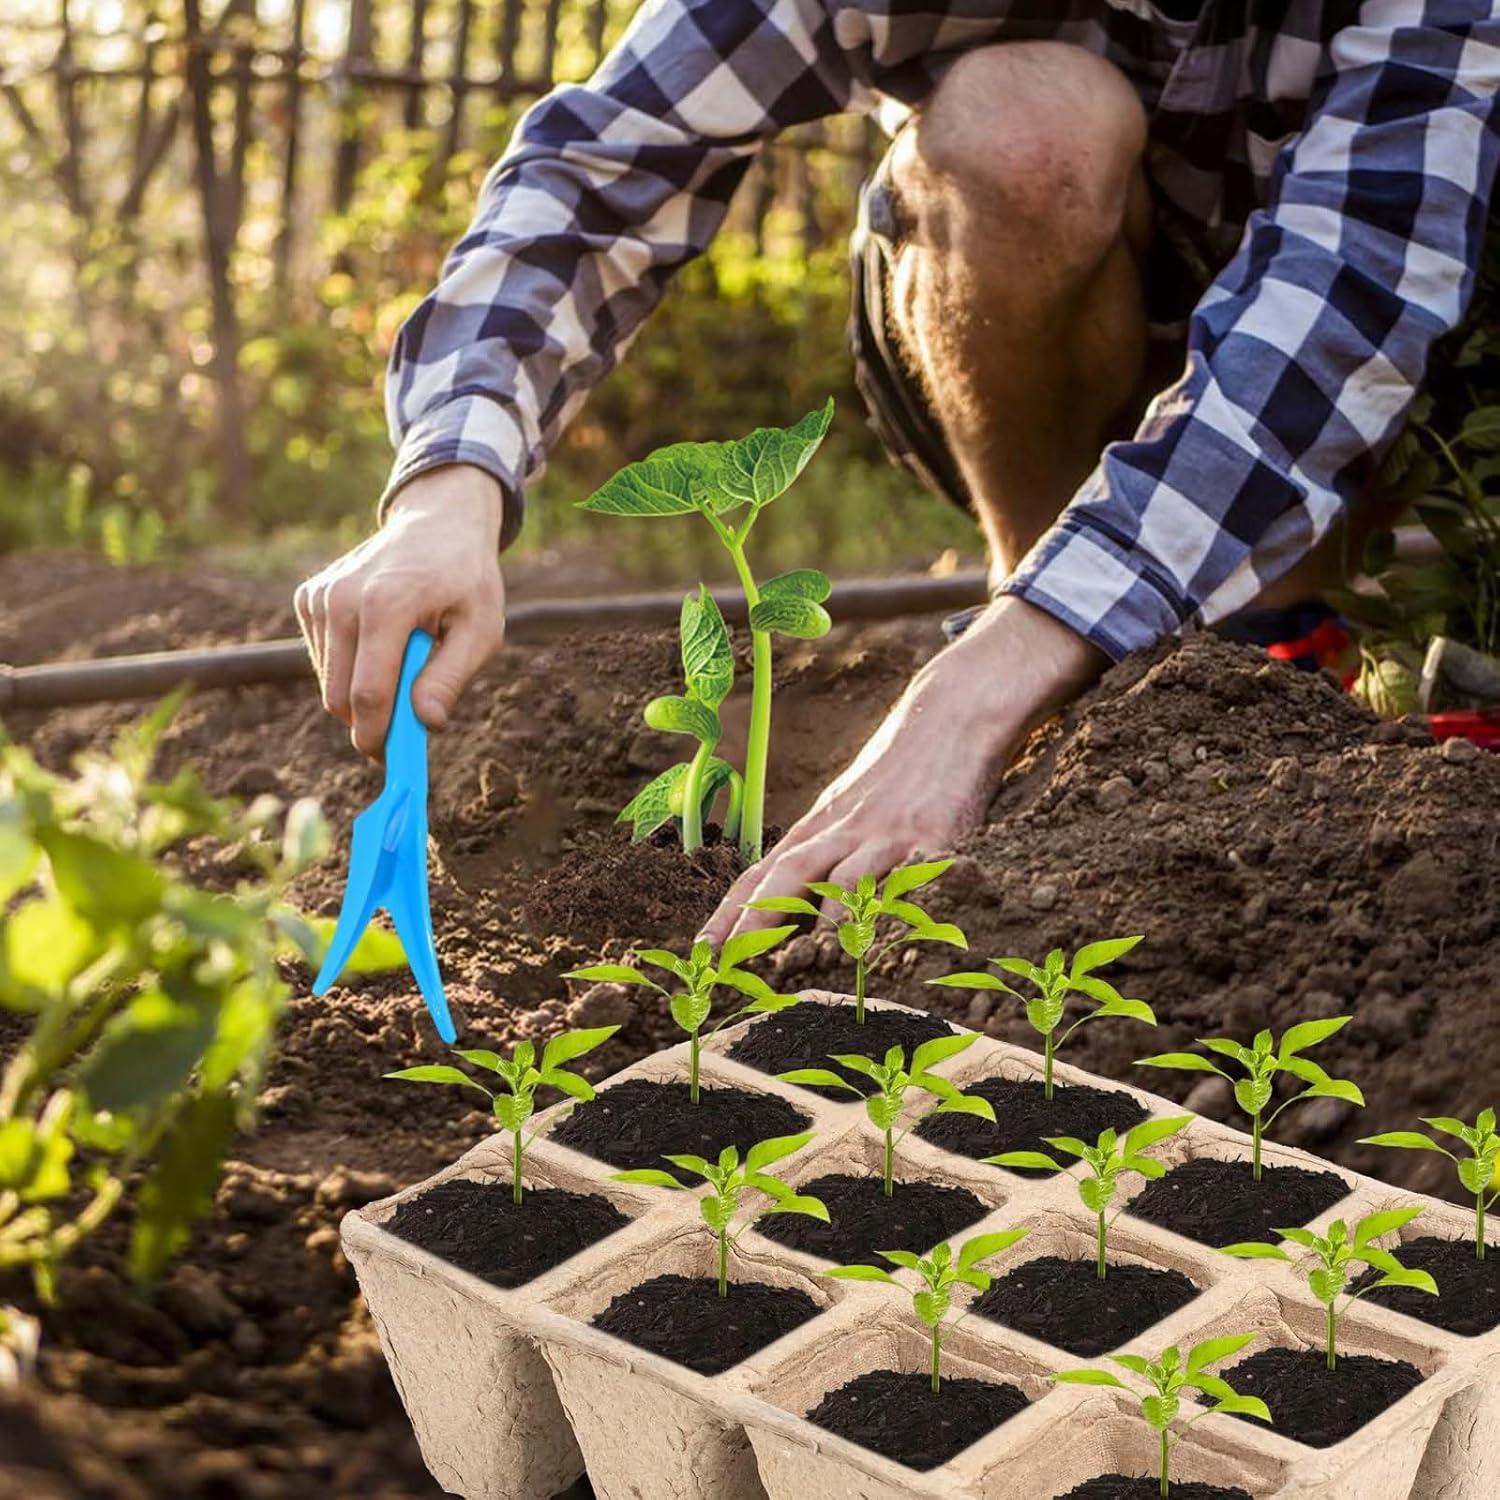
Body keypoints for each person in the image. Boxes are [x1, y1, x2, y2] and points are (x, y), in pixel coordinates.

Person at [293, 0, 1500, 946]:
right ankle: (1045, 638)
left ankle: (1188, 639)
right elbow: (598, 169)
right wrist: (447, 484)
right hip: (1023, 337)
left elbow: (1350, 301)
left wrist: (958, 700)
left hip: (1385, 398)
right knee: (1026, 126)